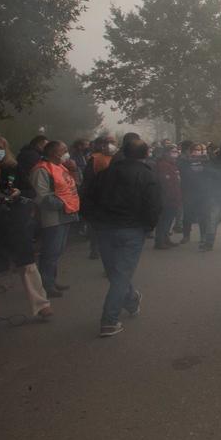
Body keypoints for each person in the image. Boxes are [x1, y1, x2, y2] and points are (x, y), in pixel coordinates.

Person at [86, 139, 160, 337]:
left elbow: (88, 198)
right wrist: (148, 226)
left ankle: (132, 299)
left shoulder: (104, 174)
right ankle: (109, 320)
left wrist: (94, 221)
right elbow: (153, 204)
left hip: (105, 229)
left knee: (115, 273)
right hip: (131, 229)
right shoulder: (146, 174)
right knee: (120, 276)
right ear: (145, 154)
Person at [0, 145, 53, 327]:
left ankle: (41, 305)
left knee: (27, 264)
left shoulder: (13, 169)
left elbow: (30, 191)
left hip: (14, 222)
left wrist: (18, 193)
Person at [30, 140, 80, 297]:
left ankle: (51, 280)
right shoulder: (41, 169)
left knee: (57, 251)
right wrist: (63, 203)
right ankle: (46, 285)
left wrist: (75, 170)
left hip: (66, 215)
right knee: (50, 252)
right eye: (63, 150)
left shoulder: (61, 167)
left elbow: (75, 184)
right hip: (53, 217)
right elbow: (41, 196)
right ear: (53, 153)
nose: (67, 152)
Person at [178, 142, 210, 245]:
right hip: (189, 191)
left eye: (199, 150)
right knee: (187, 215)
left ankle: (203, 236)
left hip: (203, 192)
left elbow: (209, 174)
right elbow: (184, 173)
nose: (197, 152)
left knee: (203, 215)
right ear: (191, 151)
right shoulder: (185, 161)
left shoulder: (206, 161)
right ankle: (186, 235)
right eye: (195, 150)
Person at [154, 146, 182, 249]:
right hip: (166, 198)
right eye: (173, 151)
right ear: (166, 153)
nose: (175, 153)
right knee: (163, 220)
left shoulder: (173, 164)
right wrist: (170, 197)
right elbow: (165, 183)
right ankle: (159, 241)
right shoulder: (163, 165)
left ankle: (165, 238)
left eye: (176, 151)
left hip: (174, 197)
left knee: (169, 220)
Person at [15, 134, 48, 199]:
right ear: (39, 144)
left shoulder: (27, 152)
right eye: (46, 145)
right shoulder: (32, 155)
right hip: (25, 187)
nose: (47, 148)